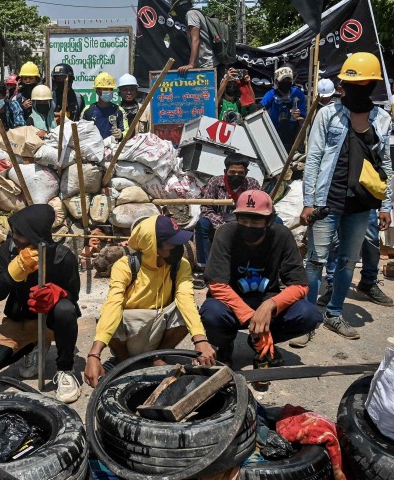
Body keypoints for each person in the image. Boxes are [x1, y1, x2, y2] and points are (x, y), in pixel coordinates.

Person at [302, 52, 394, 340]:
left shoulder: (382, 119)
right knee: (315, 262)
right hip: (326, 202)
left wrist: (385, 205)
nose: (352, 89)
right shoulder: (328, 115)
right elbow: (314, 158)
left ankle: (334, 313)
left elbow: (385, 163)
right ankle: (306, 319)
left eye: (360, 85)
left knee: (347, 261)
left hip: (360, 204)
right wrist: (308, 202)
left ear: (372, 86)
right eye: (349, 84)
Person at [85, 215, 214, 387]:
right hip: (129, 330)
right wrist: (94, 354)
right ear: (153, 246)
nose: (179, 248)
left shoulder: (180, 265)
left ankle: (158, 356)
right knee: (107, 315)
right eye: (172, 244)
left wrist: (201, 340)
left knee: (185, 311)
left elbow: (186, 300)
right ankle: (124, 360)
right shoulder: (125, 266)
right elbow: (113, 304)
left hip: (159, 326)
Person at [201, 190, 322, 366]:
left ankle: (261, 343)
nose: (249, 226)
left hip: (267, 300)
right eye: (243, 220)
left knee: (309, 315)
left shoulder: (282, 235)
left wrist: (270, 305)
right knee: (211, 312)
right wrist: (253, 320)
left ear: (269, 221)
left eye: (256, 221)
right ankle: (225, 345)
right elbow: (217, 285)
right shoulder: (225, 233)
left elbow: (300, 285)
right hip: (231, 303)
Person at [0, 205, 82, 403]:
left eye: (20, 234)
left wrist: (60, 294)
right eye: (13, 232)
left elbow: (73, 298)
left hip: (51, 322)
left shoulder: (63, 257)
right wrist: (14, 271)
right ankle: (34, 346)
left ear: (36, 236)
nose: (14, 237)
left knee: (65, 310)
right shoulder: (8, 251)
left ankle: (66, 369)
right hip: (21, 320)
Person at [194, 153, 259, 287]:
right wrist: (222, 226)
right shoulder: (215, 182)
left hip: (246, 222)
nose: (236, 175)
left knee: (276, 223)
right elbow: (206, 208)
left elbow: (262, 206)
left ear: (246, 173)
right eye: (232, 172)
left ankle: (269, 269)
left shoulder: (252, 184)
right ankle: (205, 270)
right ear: (225, 171)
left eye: (240, 173)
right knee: (202, 224)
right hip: (220, 221)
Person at [261, 66, 308, 152]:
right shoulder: (271, 94)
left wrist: (298, 115)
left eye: (288, 80)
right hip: (275, 130)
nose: (286, 83)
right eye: (283, 80)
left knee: (302, 123)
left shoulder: (298, 93)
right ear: (277, 81)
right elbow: (260, 108)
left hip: (293, 130)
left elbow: (303, 116)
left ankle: (298, 150)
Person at [169, 0, 214, 75]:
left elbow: (195, 40)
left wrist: (191, 64)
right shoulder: (198, 12)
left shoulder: (191, 14)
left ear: (178, 8)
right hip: (209, 61)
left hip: (207, 62)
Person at [81, 72, 126, 140]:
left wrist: (121, 134)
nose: (108, 92)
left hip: (113, 146)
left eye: (110, 89)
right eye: (105, 89)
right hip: (93, 146)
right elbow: (81, 132)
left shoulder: (119, 110)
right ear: (97, 91)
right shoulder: (88, 110)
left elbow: (126, 131)